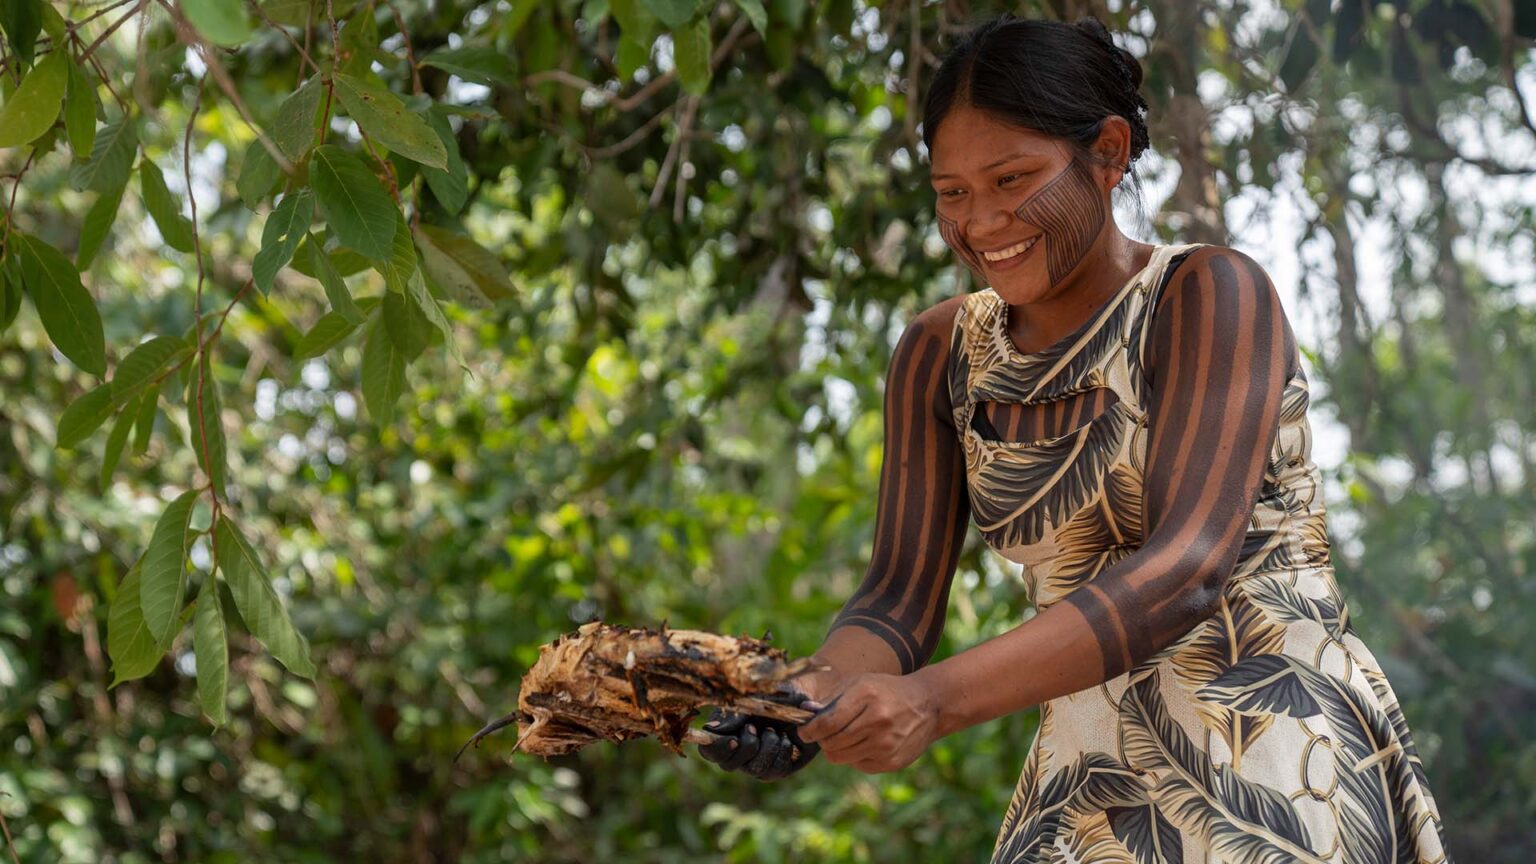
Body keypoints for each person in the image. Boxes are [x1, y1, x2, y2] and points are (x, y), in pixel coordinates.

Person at [700, 13, 1454, 863]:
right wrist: (802, 699)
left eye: (1012, 178)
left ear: (1107, 151)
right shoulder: (939, 354)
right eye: (952, 192)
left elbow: (1187, 572)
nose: (982, 221)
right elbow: (894, 600)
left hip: (1274, 758)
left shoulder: (1208, 295)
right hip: (1091, 772)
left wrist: (934, 700)